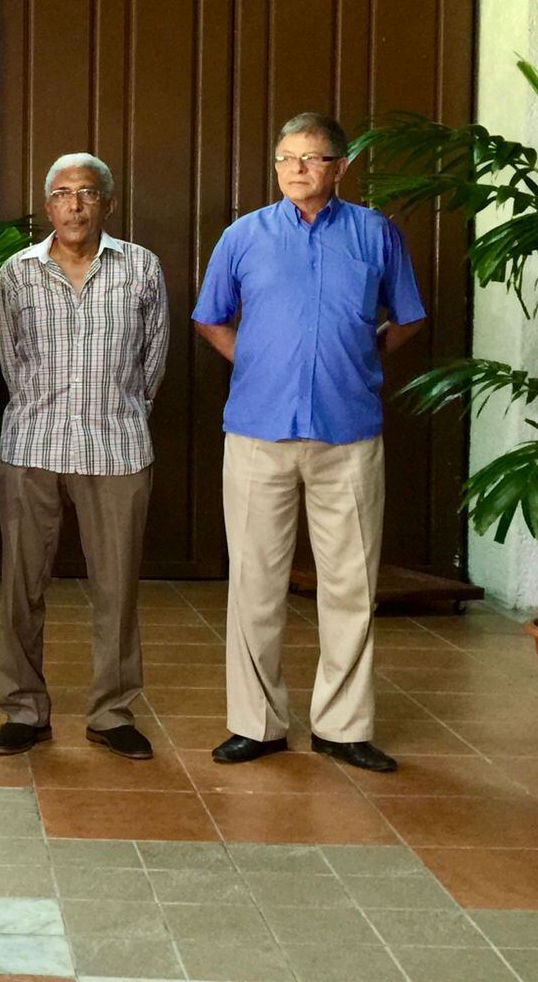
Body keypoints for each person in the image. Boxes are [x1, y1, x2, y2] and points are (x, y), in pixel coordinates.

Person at [194, 112, 425, 774]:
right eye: (286, 158)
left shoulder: (375, 234)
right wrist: (257, 361)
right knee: (255, 583)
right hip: (257, 430)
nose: (297, 169)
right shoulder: (243, 236)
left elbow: (408, 317)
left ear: (340, 167)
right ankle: (256, 724)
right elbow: (210, 319)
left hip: (348, 432)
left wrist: (362, 360)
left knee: (350, 583)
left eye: (312, 157)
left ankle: (342, 727)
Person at [0, 154, 168, 761]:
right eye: (63, 193)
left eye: (87, 193)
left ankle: (111, 713)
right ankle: (23, 709)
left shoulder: (141, 267)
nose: (75, 205)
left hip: (117, 448)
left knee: (116, 590)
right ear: (48, 206)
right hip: (32, 447)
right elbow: (12, 359)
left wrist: (120, 410)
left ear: (108, 204)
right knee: (20, 586)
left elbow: (152, 362)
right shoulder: (17, 273)